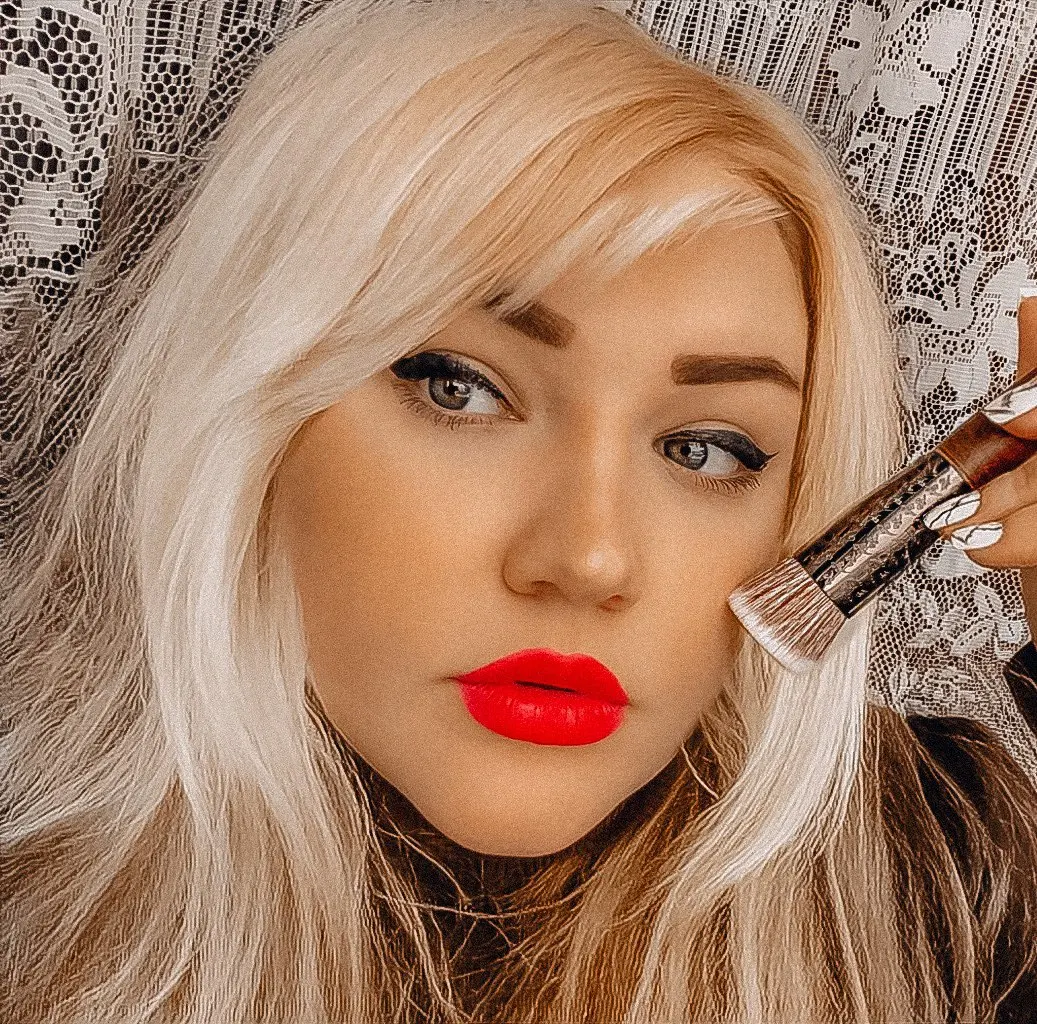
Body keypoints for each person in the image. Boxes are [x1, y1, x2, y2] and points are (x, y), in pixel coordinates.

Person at [2, 1, 1036, 1021]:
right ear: (251, 414)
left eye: (704, 449)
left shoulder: (945, 889)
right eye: (460, 390)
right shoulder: (30, 911)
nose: (587, 558)